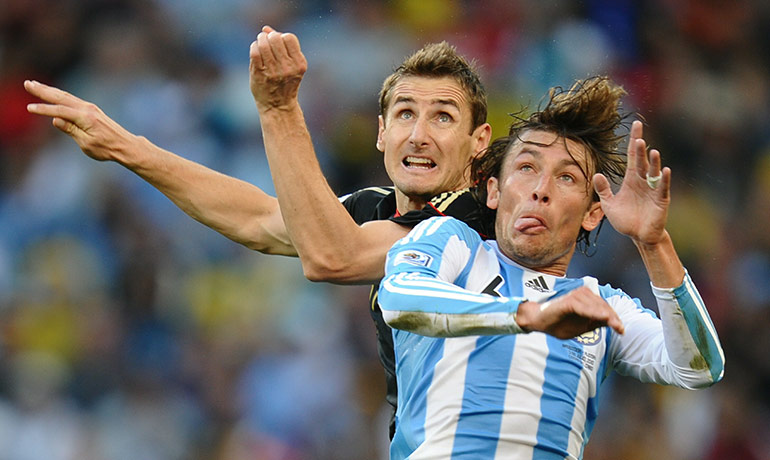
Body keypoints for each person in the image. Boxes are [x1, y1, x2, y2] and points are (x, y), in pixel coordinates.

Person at [24, 26, 492, 437]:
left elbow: (332, 256)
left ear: (479, 142)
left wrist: (279, 109)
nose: (418, 135)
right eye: (406, 113)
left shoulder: (474, 217)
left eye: (443, 117)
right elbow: (258, 221)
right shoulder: (377, 209)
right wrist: (126, 147)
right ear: (381, 133)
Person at [377, 76, 724, 459]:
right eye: (527, 167)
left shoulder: (600, 307)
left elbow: (700, 368)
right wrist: (530, 315)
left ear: (592, 214)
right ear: (494, 191)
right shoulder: (454, 244)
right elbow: (399, 299)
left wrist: (653, 244)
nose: (541, 190)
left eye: (566, 177)